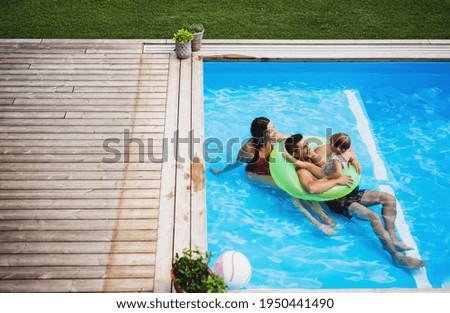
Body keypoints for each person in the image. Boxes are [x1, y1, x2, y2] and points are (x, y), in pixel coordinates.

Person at [284, 134, 427, 269]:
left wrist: (354, 159)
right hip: (338, 200)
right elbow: (311, 189)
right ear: (295, 155)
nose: (308, 147)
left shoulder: (318, 152)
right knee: (373, 217)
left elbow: (343, 142)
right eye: (302, 147)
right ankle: (395, 255)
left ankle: (392, 235)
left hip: (351, 191)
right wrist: (338, 180)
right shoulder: (303, 171)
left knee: (389, 199)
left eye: (307, 144)